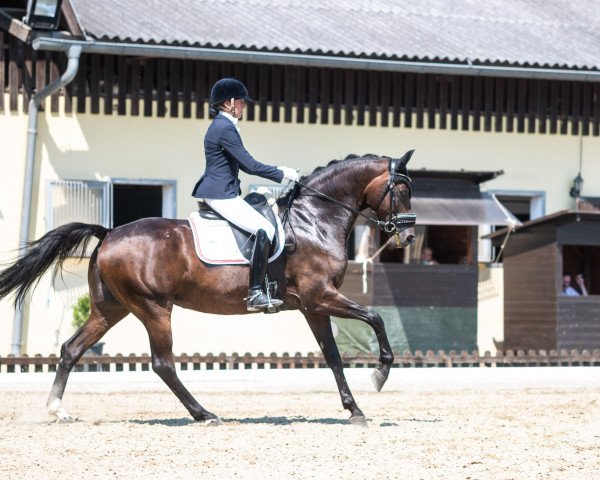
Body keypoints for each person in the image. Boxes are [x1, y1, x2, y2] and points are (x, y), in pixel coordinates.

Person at [191, 78, 300, 312]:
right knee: (265, 229)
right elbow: (249, 165)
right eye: (241, 102)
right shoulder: (224, 127)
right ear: (229, 103)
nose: (244, 107)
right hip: (220, 194)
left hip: (221, 191)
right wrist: (282, 173)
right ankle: (255, 293)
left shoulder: (224, 125)